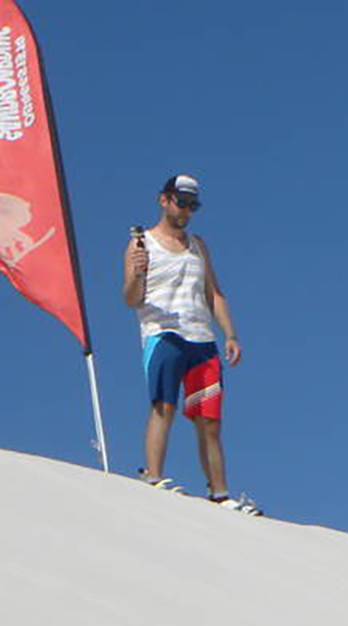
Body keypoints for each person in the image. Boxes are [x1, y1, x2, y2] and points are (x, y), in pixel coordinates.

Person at [120, 174, 258, 514]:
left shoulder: (198, 246)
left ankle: (220, 492)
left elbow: (214, 292)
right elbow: (130, 298)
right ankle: (153, 475)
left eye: (192, 205)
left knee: (209, 419)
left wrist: (231, 334)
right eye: (181, 202)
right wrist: (138, 274)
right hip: (162, 331)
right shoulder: (142, 244)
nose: (186, 210)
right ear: (164, 200)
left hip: (201, 337)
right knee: (163, 405)